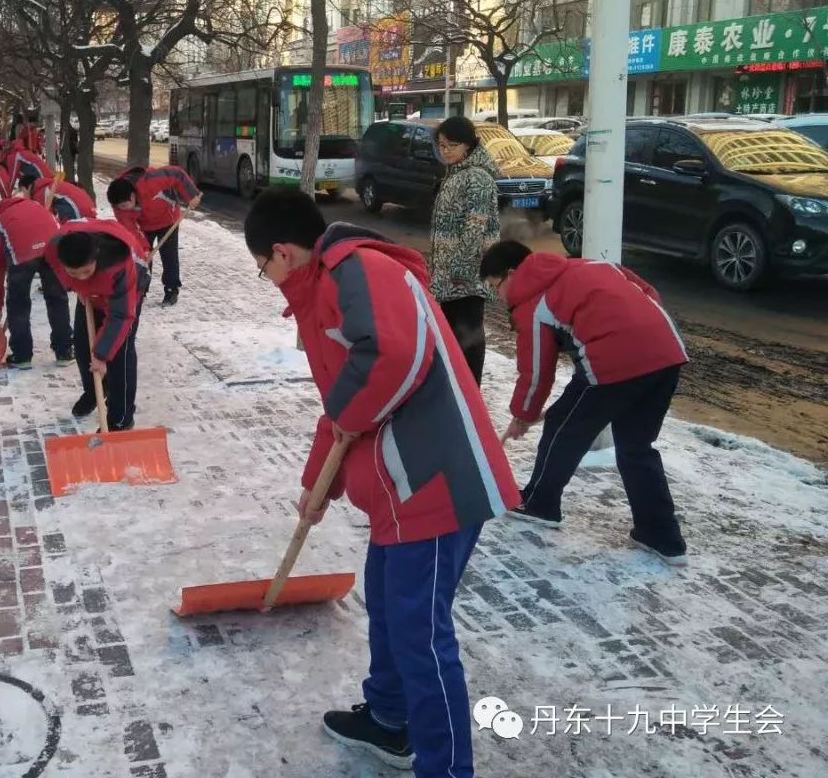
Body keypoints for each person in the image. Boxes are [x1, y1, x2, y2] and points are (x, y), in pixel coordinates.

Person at [244, 187, 518, 778]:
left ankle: (445, 768)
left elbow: (394, 356)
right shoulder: (324, 289)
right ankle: (392, 721)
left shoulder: (357, 268)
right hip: (396, 489)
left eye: (261, 265)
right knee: (391, 613)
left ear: (282, 251)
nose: (264, 278)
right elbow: (340, 402)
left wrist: (341, 431)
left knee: (421, 635)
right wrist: (318, 483)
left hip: (435, 481)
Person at [480, 240, 689, 564]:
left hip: (613, 361)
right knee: (636, 447)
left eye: (496, 286)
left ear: (511, 274)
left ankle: (539, 504)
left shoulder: (532, 302)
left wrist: (523, 415)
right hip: (666, 352)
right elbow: (645, 291)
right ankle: (661, 535)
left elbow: (536, 371)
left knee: (563, 425)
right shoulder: (589, 265)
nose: (498, 296)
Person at [44, 220, 150, 431]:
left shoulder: (119, 264)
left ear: (96, 258)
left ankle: (121, 417)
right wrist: (78, 286)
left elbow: (120, 315)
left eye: (86, 271)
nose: (81, 276)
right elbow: (61, 273)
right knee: (84, 347)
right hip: (90, 295)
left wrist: (102, 355)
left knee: (119, 353)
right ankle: (96, 393)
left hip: (128, 292)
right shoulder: (54, 250)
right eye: (74, 273)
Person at [430, 116, 500, 385]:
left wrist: (459, 269)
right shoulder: (456, 174)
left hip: (467, 278)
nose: (445, 151)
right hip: (450, 277)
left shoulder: (477, 178)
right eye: (441, 145)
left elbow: (475, 226)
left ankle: (470, 396)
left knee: (468, 339)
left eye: (451, 145)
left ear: (469, 145)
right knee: (451, 340)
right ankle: (458, 393)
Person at [0, 196, 73, 368]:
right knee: (57, 299)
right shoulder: (38, 206)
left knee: (18, 302)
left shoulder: (0, 221)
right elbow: (58, 231)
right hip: (53, 249)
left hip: (22, 255)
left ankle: (22, 355)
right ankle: (64, 352)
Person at [107, 165, 202, 306]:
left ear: (132, 196)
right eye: (120, 207)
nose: (123, 209)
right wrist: (144, 248)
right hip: (144, 225)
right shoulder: (119, 206)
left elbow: (177, 174)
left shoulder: (151, 180)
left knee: (169, 255)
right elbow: (131, 229)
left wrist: (191, 195)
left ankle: (171, 290)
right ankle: (141, 289)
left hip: (168, 218)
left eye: (125, 206)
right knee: (142, 257)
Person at [20, 173, 98, 222]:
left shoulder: (41, 192)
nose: (23, 196)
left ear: (27, 187)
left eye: (23, 191)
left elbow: (45, 217)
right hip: (89, 209)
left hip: (79, 212)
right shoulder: (48, 185)